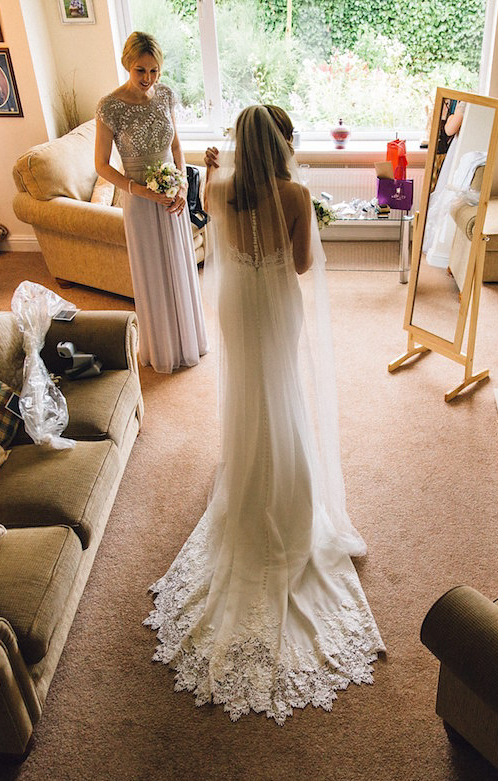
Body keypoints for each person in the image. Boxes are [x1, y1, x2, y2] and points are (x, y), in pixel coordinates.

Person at [145, 105, 385, 724]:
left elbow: (220, 237)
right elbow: (303, 265)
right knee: (282, 394)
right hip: (276, 303)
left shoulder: (219, 187)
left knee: (249, 395)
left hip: (235, 304)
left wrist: (211, 171)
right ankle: (289, 495)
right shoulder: (299, 194)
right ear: (281, 144)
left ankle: (249, 484)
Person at [95, 32, 206, 373]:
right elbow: (100, 165)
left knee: (178, 264)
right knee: (153, 271)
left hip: (172, 195)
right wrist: (139, 191)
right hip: (140, 201)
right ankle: (162, 348)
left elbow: (175, 146)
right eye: (140, 70)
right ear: (127, 64)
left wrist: (184, 186)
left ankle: (190, 340)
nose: (148, 79)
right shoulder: (110, 106)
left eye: (154, 71)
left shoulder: (166, 96)